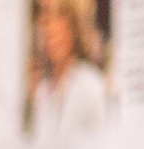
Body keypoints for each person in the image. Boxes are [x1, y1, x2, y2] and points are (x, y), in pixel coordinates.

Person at [26, 0, 109, 139]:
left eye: (59, 15)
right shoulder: (42, 90)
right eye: (44, 17)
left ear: (74, 26)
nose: (49, 28)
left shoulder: (90, 84)